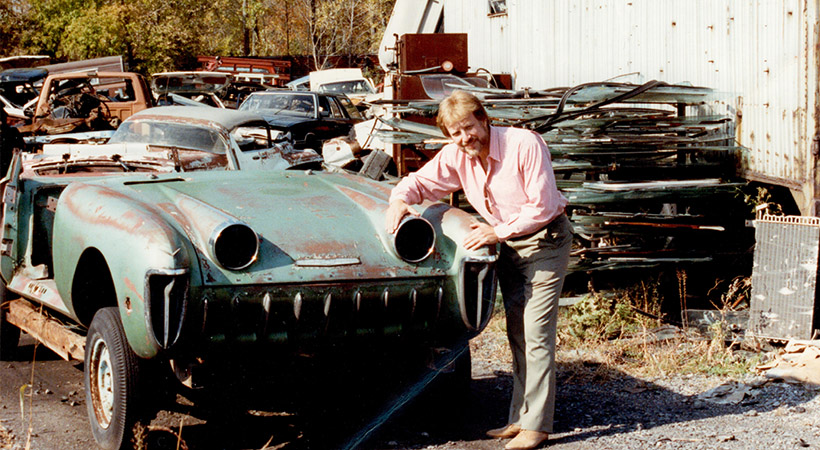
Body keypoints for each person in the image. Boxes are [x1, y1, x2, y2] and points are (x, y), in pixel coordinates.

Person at [385, 90, 572, 450]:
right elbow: (421, 182)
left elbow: (544, 205)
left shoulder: (524, 144)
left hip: (545, 240)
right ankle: (519, 418)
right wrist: (399, 200)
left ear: (484, 119)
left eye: (469, 127)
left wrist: (495, 232)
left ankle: (538, 426)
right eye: (454, 133)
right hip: (509, 244)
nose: (464, 138)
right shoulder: (458, 154)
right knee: (517, 332)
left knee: (536, 333)